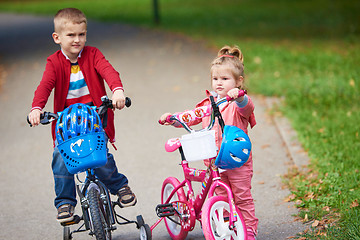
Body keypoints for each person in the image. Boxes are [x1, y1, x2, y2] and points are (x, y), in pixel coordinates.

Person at [28, 8, 136, 223]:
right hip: (66, 123)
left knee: (99, 156)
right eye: (71, 35)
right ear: (57, 38)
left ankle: (119, 185)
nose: (77, 40)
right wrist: (36, 108)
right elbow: (45, 86)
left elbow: (108, 71)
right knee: (61, 158)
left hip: (94, 117)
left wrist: (117, 91)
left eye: (82, 34)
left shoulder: (93, 54)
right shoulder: (54, 62)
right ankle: (65, 202)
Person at [159, 45, 258, 239]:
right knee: (220, 196)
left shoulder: (238, 103)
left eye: (225, 79)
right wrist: (173, 118)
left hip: (237, 161)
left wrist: (238, 96)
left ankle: (249, 231)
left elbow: (247, 107)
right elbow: (191, 116)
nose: (219, 83)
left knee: (242, 197)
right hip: (214, 162)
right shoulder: (208, 105)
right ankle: (227, 229)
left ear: (239, 81)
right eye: (215, 79)